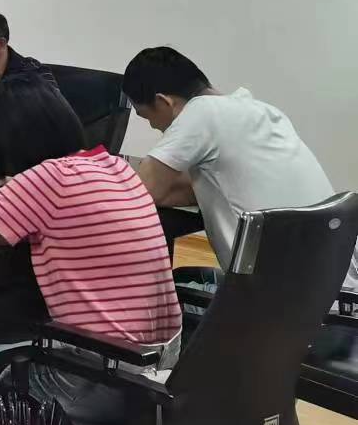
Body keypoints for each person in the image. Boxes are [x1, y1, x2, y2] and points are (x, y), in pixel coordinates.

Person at [0, 77, 181, 425]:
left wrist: (15, 189)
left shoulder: (49, 178)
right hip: (159, 371)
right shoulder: (115, 166)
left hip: (100, 377)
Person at [125, 46, 334, 273]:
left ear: (163, 102)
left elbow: (139, 192)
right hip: (330, 281)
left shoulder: (201, 112)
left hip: (274, 286)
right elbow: (197, 188)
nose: (153, 126)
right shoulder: (263, 111)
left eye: (146, 116)